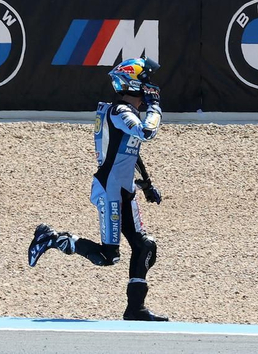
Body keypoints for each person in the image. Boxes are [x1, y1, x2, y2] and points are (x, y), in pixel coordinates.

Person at [28, 58, 167, 322]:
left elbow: (131, 153)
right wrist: (156, 107)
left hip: (125, 190)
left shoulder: (126, 112)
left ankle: (135, 309)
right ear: (135, 83)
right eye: (147, 80)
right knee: (108, 256)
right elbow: (147, 133)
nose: (152, 86)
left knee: (145, 246)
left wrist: (146, 184)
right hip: (110, 189)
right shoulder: (120, 112)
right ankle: (52, 238)